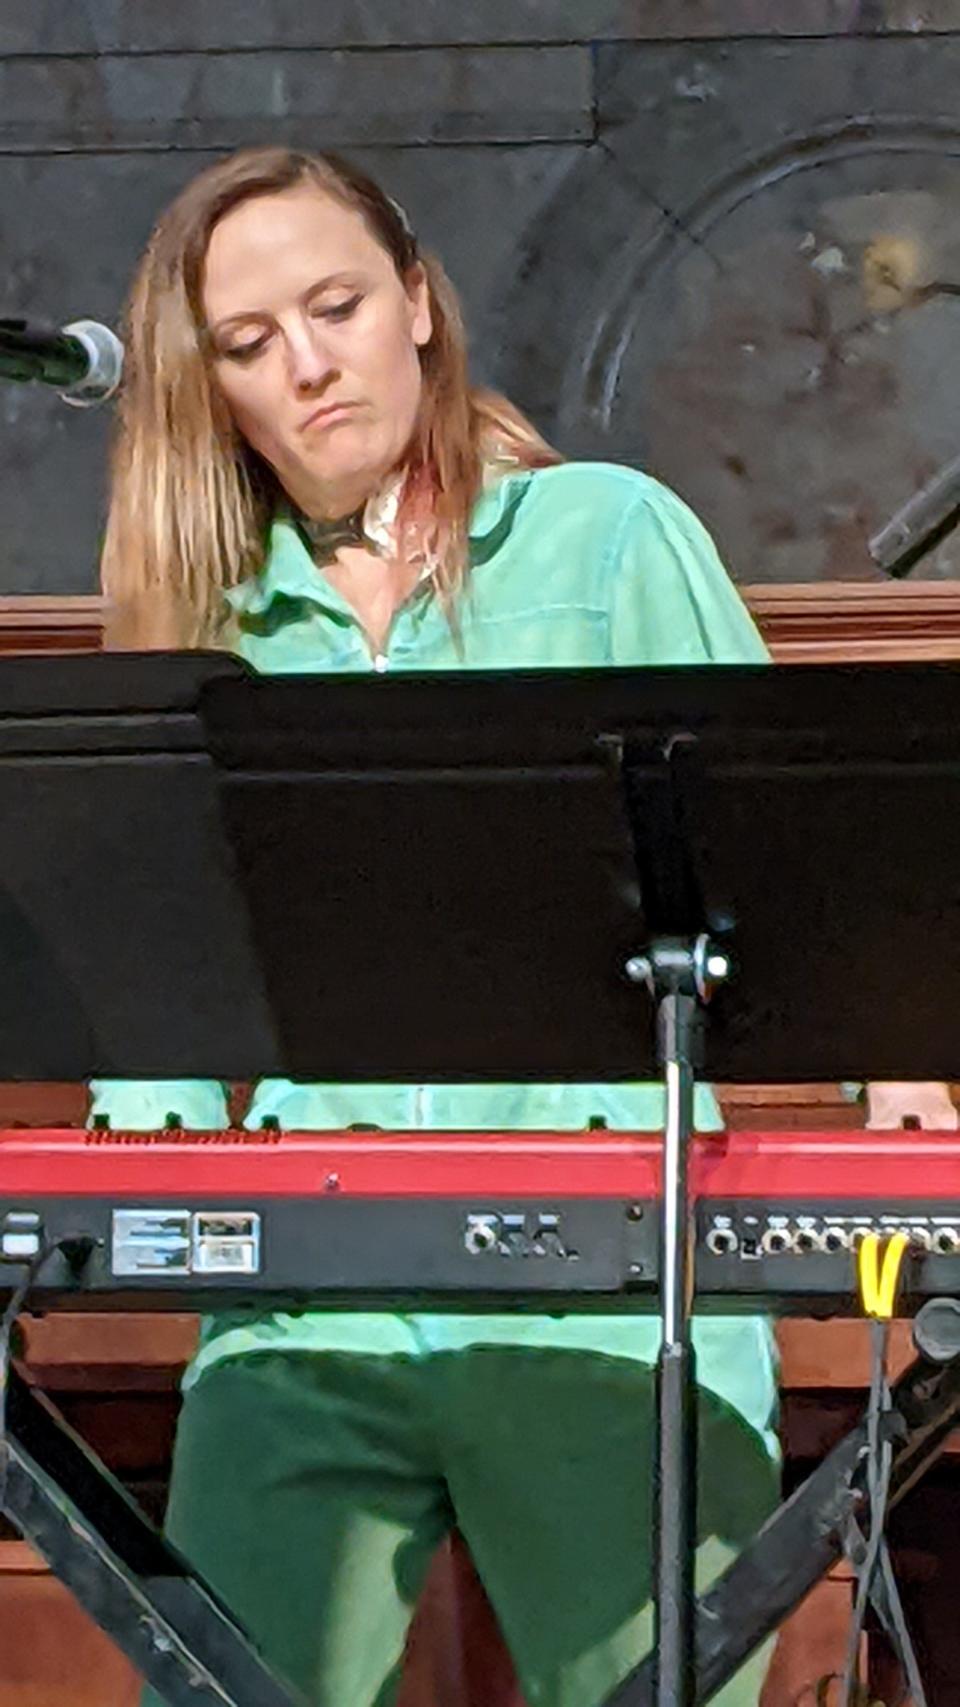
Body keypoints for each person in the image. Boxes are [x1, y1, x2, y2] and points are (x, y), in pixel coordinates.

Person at [96, 147, 779, 1707]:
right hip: (301, 1313)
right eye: (252, 345)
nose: (310, 365)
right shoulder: (207, 628)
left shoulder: (606, 538)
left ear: (417, 302)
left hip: (608, 1297)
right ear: (213, 392)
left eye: (335, 307)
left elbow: (799, 885)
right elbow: (159, 1021)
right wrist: (137, 1168)